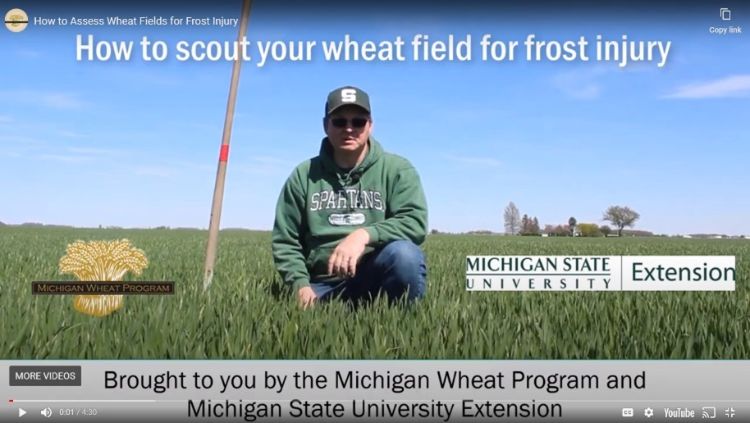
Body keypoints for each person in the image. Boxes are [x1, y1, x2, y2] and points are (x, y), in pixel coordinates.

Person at [272, 86, 428, 308]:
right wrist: (300, 285)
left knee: (406, 255)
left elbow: (414, 222)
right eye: (339, 121)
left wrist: (364, 235)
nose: (349, 129)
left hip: (373, 280)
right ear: (326, 125)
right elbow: (286, 240)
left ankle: (401, 327)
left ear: (370, 125)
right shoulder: (304, 175)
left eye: (358, 122)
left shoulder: (398, 170)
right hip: (322, 286)